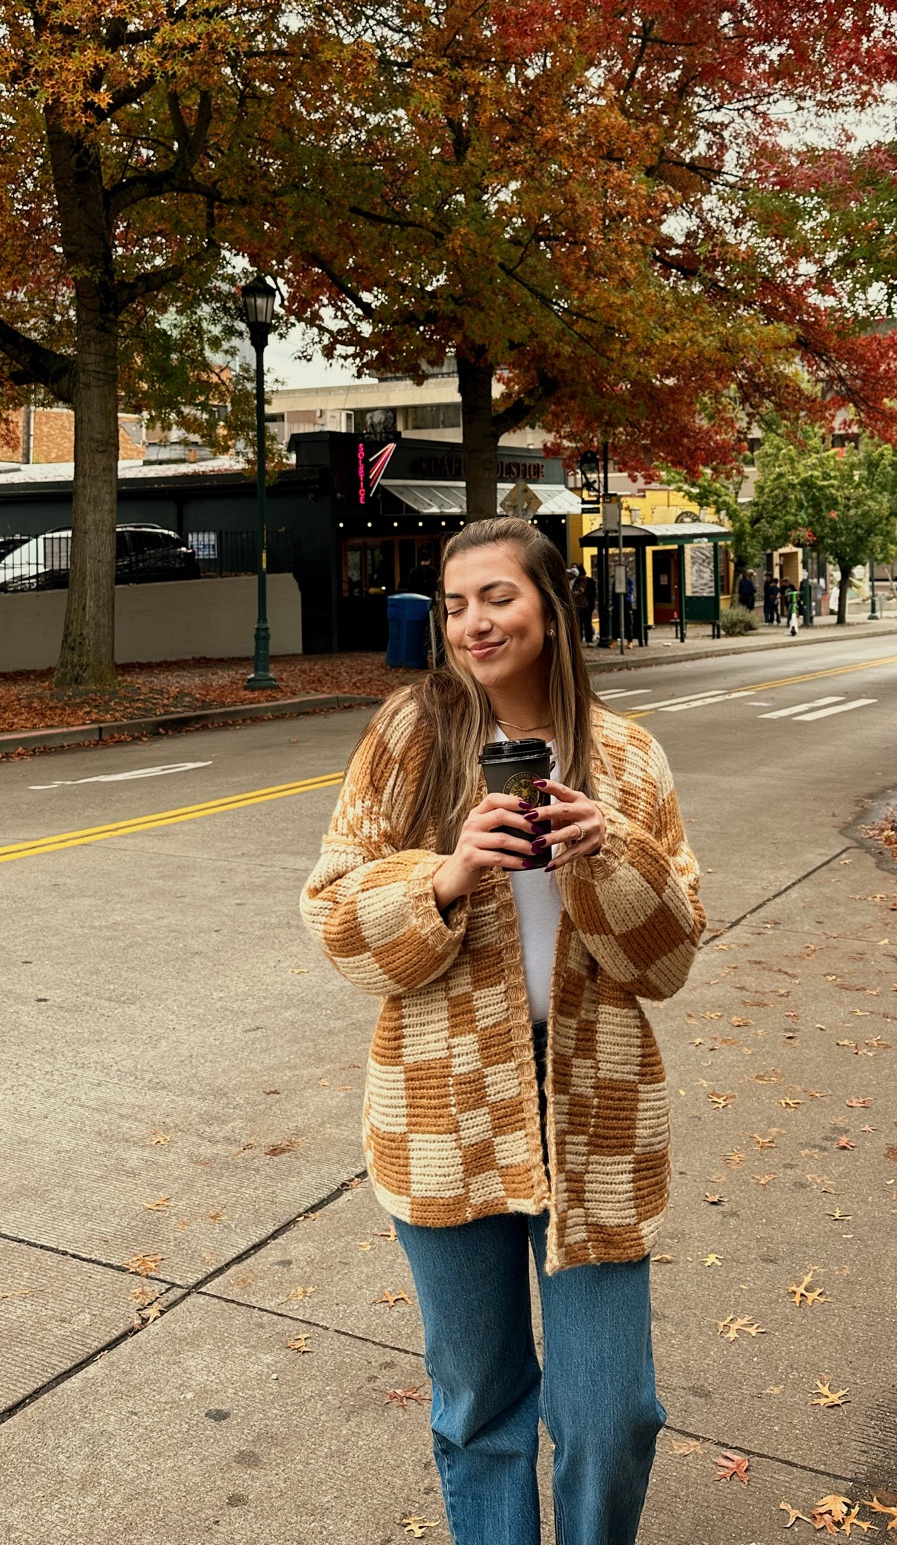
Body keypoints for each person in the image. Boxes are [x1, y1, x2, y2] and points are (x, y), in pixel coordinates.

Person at [303, 517, 705, 1545]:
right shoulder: (412, 736)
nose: (474, 622)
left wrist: (602, 855)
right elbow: (334, 915)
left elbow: (666, 960)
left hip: (596, 1112)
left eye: (499, 596)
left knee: (611, 1415)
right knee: (481, 1406)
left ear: (553, 607)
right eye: (456, 603)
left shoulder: (626, 757)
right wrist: (445, 873)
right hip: (442, 1113)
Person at [567, 564, 594, 645]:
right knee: (578, 623)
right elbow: (573, 590)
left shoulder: (590, 581)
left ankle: (589, 640)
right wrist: (575, 593)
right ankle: (579, 639)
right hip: (578, 605)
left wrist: (584, 591)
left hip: (587, 605)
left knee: (587, 623)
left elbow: (593, 593)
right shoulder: (576, 581)